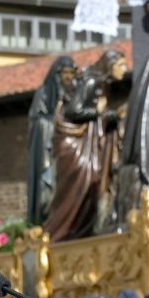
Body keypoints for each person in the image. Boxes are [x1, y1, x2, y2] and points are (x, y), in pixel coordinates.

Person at [44, 50, 129, 243]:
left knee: (93, 183)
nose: (125, 69)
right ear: (110, 65)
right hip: (75, 143)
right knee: (84, 179)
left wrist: (114, 115)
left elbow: (99, 117)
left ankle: (80, 229)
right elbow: (74, 110)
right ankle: (59, 232)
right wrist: (98, 111)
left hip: (88, 142)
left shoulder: (103, 84)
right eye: (121, 65)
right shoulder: (92, 82)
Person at [26, 55, 77, 226]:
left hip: (67, 146)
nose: (69, 77)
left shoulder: (74, 92)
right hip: (48, 147)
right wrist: (55, 122)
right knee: (48, 185)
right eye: (65, 73)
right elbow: (38, 121)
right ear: (57, 74)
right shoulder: (44, 93)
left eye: (72, 73)